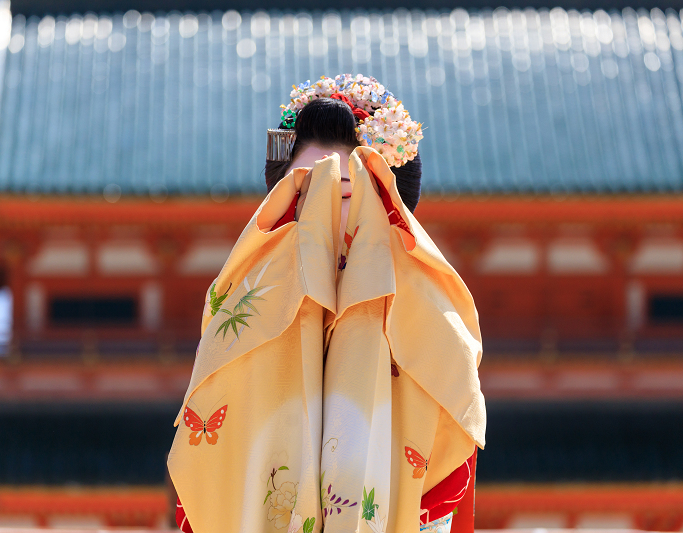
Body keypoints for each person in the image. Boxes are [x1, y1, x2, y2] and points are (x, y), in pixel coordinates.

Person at [168, 74, 485, 533]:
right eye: (305, 191)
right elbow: (208, 487)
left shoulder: (435, 331)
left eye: (342, 193)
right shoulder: (240, 320)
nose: (320, 210)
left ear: (391, 210)